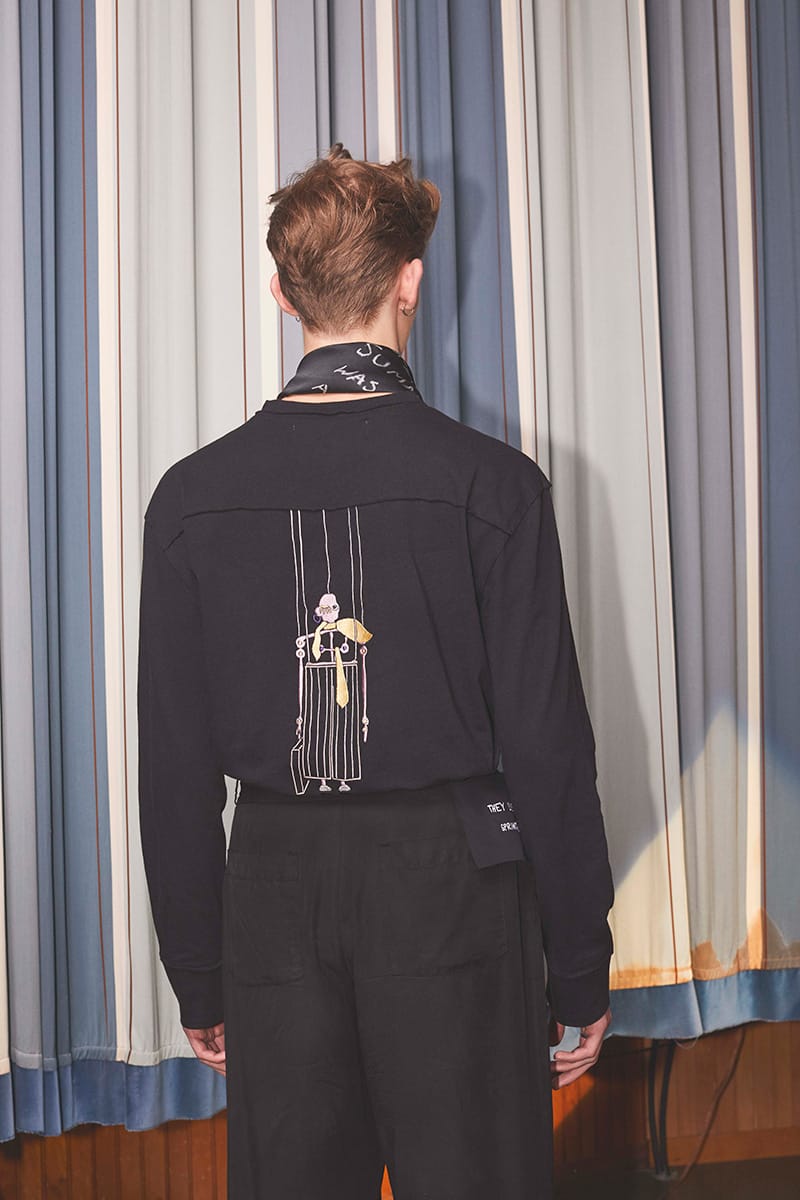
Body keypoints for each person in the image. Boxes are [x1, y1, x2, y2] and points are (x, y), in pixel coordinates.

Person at [137, 142, 615, 1200]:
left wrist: (198, 970)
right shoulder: (494, 487)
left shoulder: (189, 499)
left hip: (271, 884)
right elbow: (548, 751)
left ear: (280, 293)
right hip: (451, 881)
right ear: (410, 281)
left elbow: (172, 768)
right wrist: (579, 963)